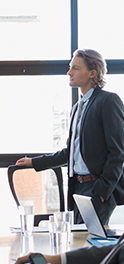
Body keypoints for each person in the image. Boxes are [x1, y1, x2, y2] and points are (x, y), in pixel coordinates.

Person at [15, 48, 124, 225]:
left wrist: (103, 190)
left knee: (89, 247)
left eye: (76, 68)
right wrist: (35, 162)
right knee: (79, 243)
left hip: (96, 187)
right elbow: (71, 152)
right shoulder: (76, 108)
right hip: (77, 186)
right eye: (70, 67)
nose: (69, 72)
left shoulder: (108, 101)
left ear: (92, 73)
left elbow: (118, 152)